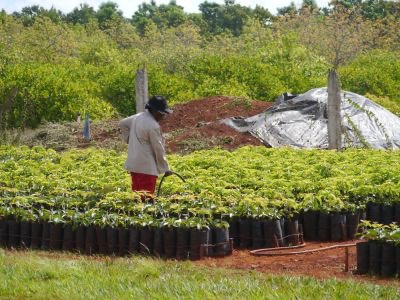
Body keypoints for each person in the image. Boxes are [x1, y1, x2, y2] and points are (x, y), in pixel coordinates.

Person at [119, 95, 173, 198]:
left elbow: (122, 124)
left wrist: (130, 139)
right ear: (155, 111)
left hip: (134, 167)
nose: (162, 117)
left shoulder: (138, 117)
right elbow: (158, 149)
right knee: (146, 199)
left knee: (137, 198)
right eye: (162, 114)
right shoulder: (153, 125)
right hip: (147, 170)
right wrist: (165, 168)